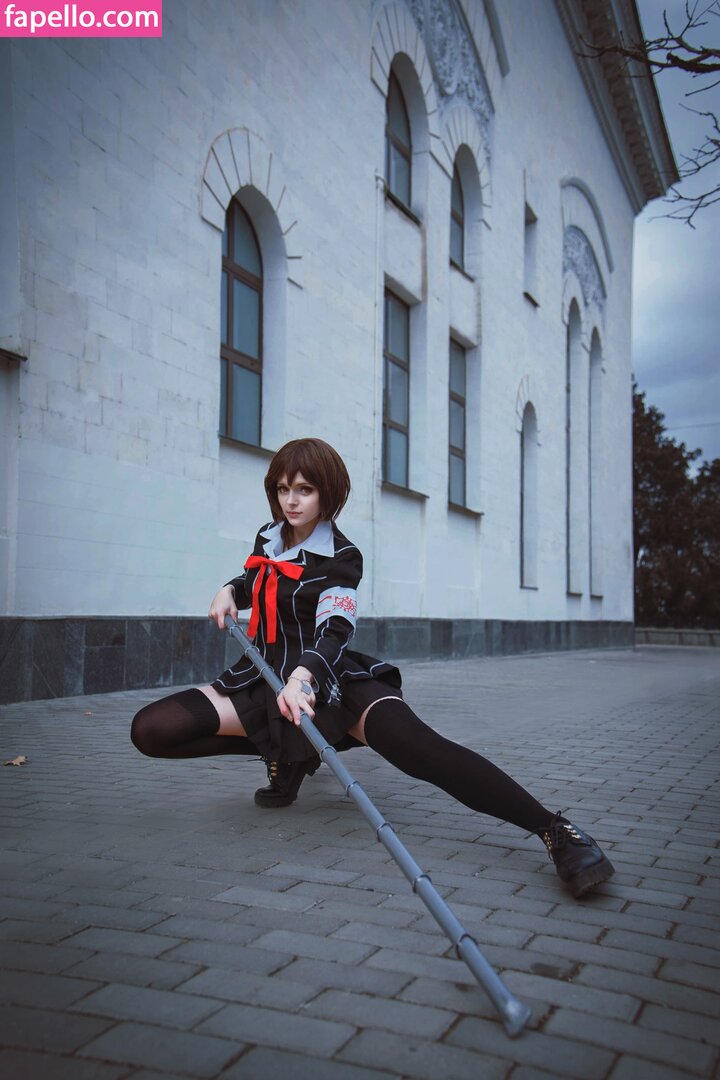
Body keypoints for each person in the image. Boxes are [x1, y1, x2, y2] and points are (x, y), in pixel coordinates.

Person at [131, 437, 614, 898]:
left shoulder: (342, 557)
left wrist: (303, 676)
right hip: (262, 676)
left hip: (329, 679)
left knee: (421, 749)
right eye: (282, 488)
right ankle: (289, 755)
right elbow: (257, 578)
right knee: (152, 731)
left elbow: (335, 628)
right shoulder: (268, 537)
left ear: (328, 493)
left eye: (304, 489)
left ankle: (557, 831)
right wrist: (230, 590)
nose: (291, 501)